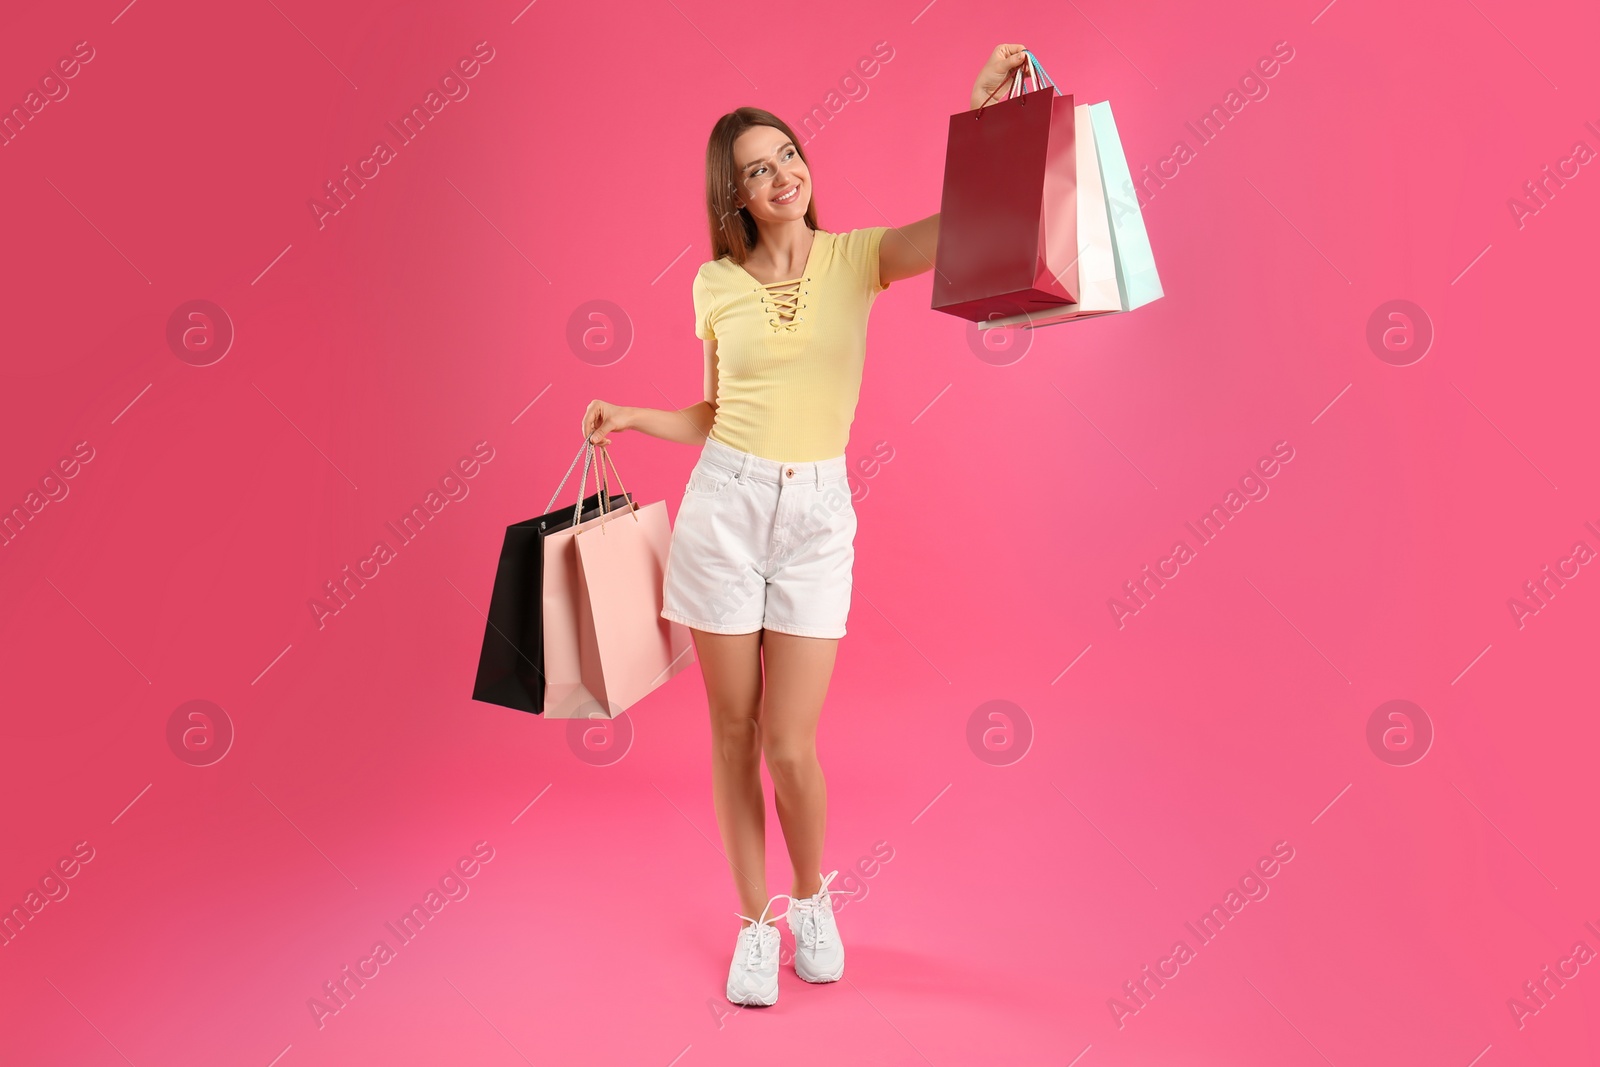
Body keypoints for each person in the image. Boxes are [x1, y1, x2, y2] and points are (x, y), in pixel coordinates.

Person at [580, 43, 1034, 1007]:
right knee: (733, 732)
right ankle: (756, 925)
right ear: (734, 194)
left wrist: (989, 121)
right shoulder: (714, 286)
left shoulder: (857, 258)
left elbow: (971, 227)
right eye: (757, 166)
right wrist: (631, 417)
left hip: (818, 514)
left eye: (788, 152)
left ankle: (811, 896)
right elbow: (712, 415)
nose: (782, 172)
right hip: (723, 508)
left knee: (792, 742)